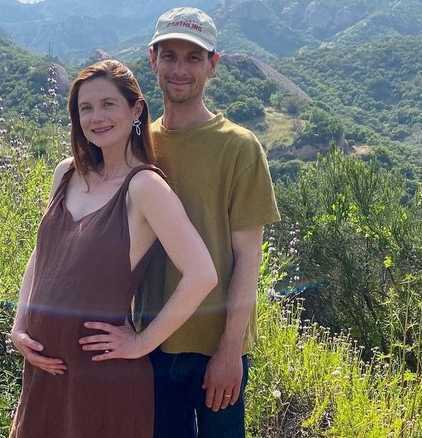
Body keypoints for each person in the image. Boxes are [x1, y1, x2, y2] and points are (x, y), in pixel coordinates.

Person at [8, 59, 217, 438]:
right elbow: (43, 256)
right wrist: (19, 324)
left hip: (101, 384)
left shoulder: (144, 188)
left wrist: (140, 342)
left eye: (108, 104)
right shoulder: (66, 173)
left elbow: (202, 273)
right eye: (85, 108)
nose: (96, 117)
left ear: (135, 109)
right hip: (43, 373)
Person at [136, 7, 280, 438]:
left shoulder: (239, 147)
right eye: (170, 56)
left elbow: (248, 255)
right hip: (152, 343)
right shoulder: (139, 142)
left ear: (213, 65)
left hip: (214, 347)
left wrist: (229, 351)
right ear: (153, 60)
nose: (180, 69)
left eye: (193, 57)